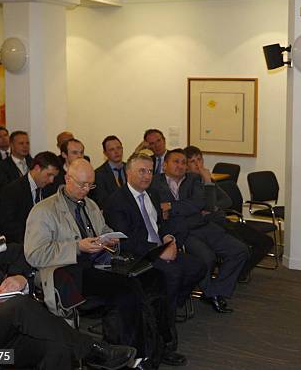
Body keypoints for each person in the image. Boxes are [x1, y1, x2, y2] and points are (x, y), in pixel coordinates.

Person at [24, 158, 185, 369]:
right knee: (127, 290)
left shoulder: (89, 205)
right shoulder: (44, 210)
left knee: (154, 278)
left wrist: (110, 239)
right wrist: (77, 247)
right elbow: (34, 254)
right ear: (67, 179)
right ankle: (128, 357)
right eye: (81, 184)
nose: (86, 190)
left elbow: (104, 231)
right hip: (67, 271)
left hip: (97, 263)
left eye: (90, 185)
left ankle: (160, 346)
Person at [0, 238, 136, 370]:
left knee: (57, 348)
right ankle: (92, 350)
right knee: (19, 307)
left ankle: (88, 351)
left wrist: (18, 279)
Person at [104, 152, 205, 363]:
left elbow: (159, 224)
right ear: (127, 172)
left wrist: (168, 238)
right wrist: (159, 250)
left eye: (150, 171)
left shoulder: (153, 194)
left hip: (159, 246)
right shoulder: (117, 200)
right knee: (172, 275)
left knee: (198, 266)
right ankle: (166, 343)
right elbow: (126, 241)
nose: (147, 176)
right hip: (138, 257)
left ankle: (169, 308)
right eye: (141, 171)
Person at [150, 149, 249, 313]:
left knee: (240, 251)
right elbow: (158, 209)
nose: (181, 165)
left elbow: (200, 203)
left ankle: (214, 291)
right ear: (165, 165)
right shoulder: (154, 183)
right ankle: (214, 295)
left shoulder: (194, 179)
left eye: (183, 162)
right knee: (206, 258)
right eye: (176, 161)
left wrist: (171, 206)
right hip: (181, 232)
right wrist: (185, 207)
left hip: (203, 225)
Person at [184, 145, 273, 280]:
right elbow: (204, 208)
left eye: (199, 159)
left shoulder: (208, 179)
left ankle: (237, 273)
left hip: (224, 221)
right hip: (211, 227)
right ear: (186, 166)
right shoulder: (187, 184)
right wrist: (209, 205)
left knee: (266, 242)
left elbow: (227, 201)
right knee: (242, 248)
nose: (198, 164)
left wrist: (212, 207)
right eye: (192, 161)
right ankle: (231, 274)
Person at [0, 151, 61, 244]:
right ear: (37, 168)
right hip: (23, 242)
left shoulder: (51, 188)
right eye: (49, 175)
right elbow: (8, 226)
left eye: (54, 176)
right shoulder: (12, 191)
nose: (51, 180)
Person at [91, 135, 126, 208]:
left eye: (119, 148)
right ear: (105, 153)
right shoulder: (98, 174)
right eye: (112, 149)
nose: (116, 152)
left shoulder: (131, 168)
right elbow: (102, 201)